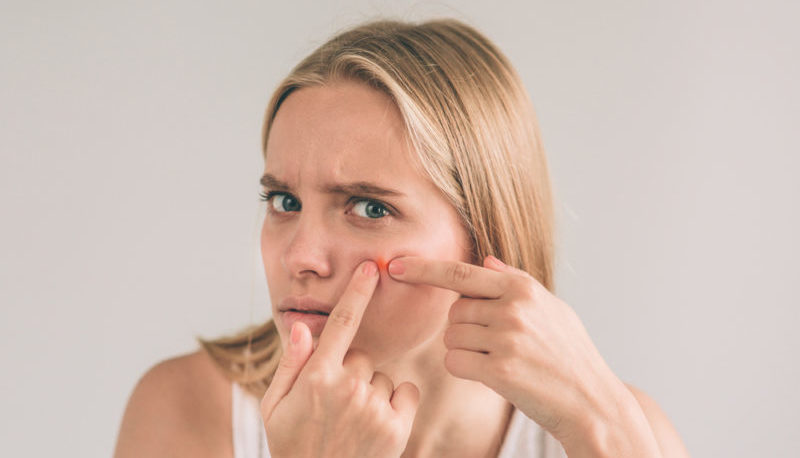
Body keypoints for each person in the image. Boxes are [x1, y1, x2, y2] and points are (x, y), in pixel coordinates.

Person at [114, 18, 690, 457]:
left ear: (485, 233)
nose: (300, 257)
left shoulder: (622, 430)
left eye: (368, 208)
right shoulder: (188, 412)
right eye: (283, 202)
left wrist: (606, 431)